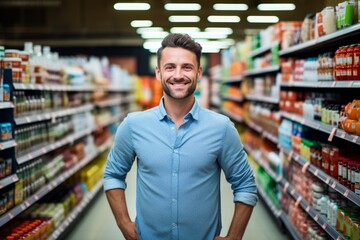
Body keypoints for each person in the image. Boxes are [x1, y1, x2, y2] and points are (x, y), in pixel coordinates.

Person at [104, 33, 258, 240]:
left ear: (199, 72)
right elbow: (113, 175)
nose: (178, 75)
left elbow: (245, 184)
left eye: (187, 67)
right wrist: (123, 223)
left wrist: (234, 237)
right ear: (158, 73)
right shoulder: (133, 125)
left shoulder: (221, 128)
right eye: (170, 67)